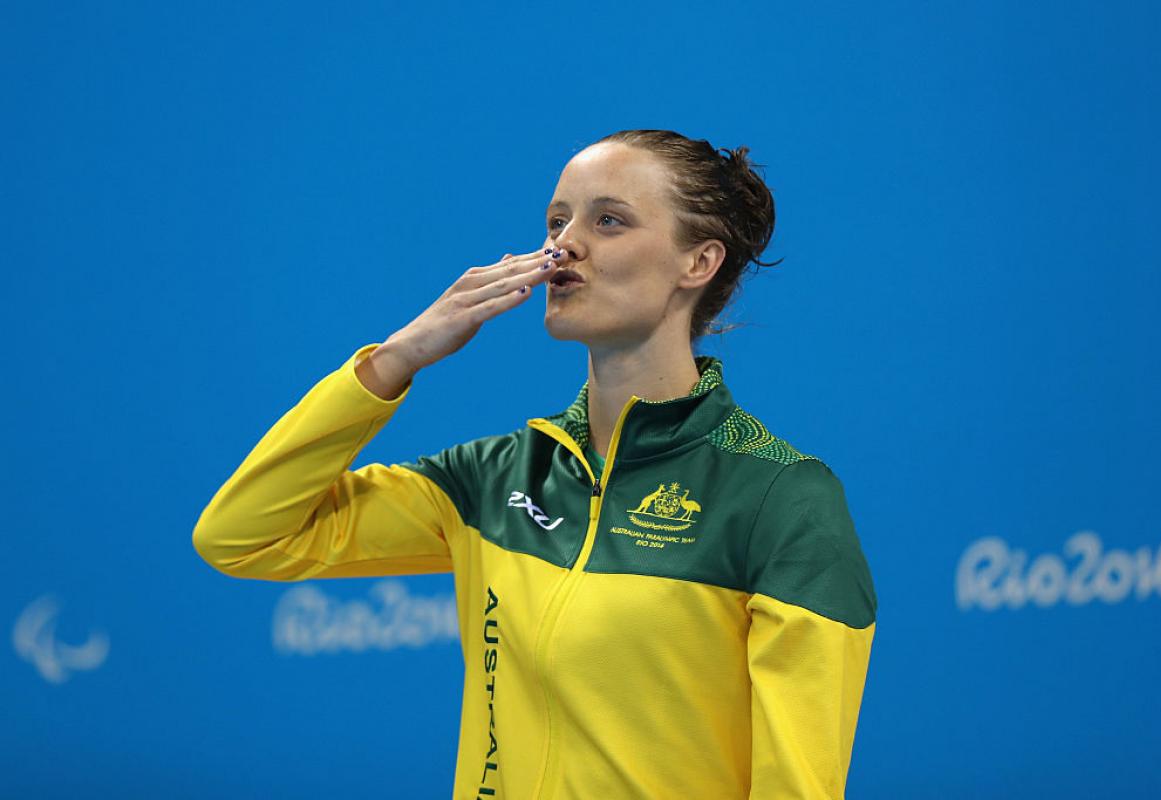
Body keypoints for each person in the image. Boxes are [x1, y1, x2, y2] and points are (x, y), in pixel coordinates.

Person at [193, 128, 877, 799]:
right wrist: (395, 359)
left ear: (697, 263)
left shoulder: (781, 497)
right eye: (557, 219)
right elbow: (242, 536)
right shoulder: (492, 482)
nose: (563, 243)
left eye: (608, 220)